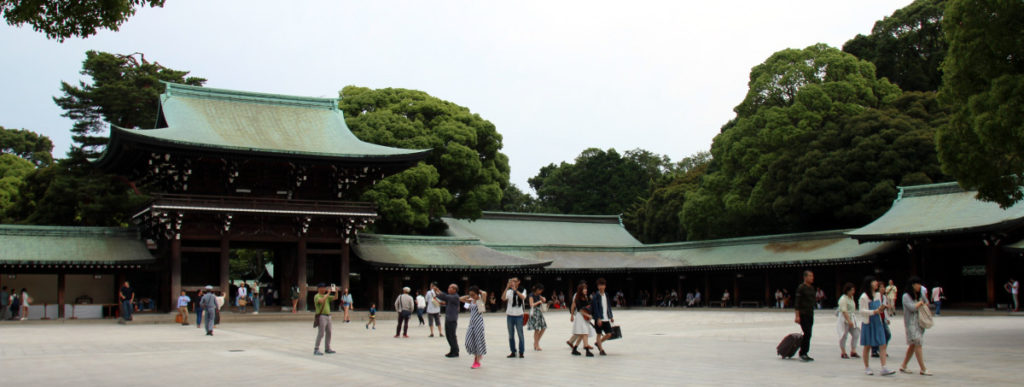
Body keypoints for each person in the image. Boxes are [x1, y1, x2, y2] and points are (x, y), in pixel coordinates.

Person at [859, 276, 895, 376]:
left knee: (882, 344)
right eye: (874, 282)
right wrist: (874, 311)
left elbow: (880, 307)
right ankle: (867, 367)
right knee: (867, 346)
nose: (876, 283)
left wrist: (883, 308)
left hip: (878, 321)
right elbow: (862, 311)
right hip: (869, 322)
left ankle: (884, 367)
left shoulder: (878, 295)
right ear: (869, 283)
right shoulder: (864, 296)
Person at [899, 277, 931, 376]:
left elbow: (927, 303)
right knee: (918, 344)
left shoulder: (920, 294)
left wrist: (923, 301)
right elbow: (912, 308)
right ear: (912, 285)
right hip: (911, 324)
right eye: (918, 284)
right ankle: (923, 368)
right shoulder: (906, 296)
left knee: (913, 345)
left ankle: (903, 365)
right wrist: (920, 303)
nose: (919, 286)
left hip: (920, 323)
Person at [461, 286, 487, 369]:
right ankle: (478, 355)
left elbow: (484, 294)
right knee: (468, 341)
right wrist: (468, 297)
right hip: (471, 323)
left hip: (478, 323)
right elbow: (461, 299)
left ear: (477, 294)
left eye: (473, 294)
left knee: (477, 341)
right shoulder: (471, 301)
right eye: (470, 294)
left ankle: (477, 360)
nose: (471, 296)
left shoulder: (480, 301)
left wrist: (480, 291)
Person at [568, 283, 596, 357]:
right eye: (584, 289)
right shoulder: (577, 298)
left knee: (581, 334)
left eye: (586, 289)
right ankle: (587, 350)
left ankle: (575, 349)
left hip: (584, 317)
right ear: (581, 290)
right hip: (580, 317)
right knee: (585, 333)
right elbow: (580, 309)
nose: (586, 290)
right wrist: (588, 315)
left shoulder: (585, 297)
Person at [502, 277, 527, 358]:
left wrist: (516, 290)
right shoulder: (509, 291)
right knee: (511, 335)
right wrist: (507, 287)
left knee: (520, 334)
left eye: (515, 281)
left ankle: (521, 352)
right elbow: (503, 298)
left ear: (519, 282)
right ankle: (513, 351)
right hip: (510, 315)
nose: (513, 283)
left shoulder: (523, 290)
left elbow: (523, 297)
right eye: (512, 281)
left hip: (519, 315)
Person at [794, 270, 815, 361]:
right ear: (805, 277)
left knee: (809, 333)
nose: (812, 278)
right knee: (807, 333)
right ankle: (802, 352)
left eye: (812, 276)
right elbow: (797, 303)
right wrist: (797, 316)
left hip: (810, 313)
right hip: (803, 314)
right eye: (810, 276)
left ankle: (805, 352)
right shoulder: (801, 288)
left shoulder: (811, 288)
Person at [436, 284, 462, 357]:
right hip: (448, 318)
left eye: (450, 288)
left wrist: (438, 291)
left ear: (455, 290)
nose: (448, 289)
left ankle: (455, 351)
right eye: (448, 287)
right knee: (448, 335)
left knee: (452, 335)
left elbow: (444, 297)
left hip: (452, 319)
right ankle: (452, 350)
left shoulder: (455, 296)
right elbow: (445, 299)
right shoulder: (451, 297)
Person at [836, 282, 860, 359]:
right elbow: (844, 311)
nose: (853, 292)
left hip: (852, 318)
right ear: (847, 291)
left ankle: (853, 350)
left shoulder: (851, 298)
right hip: (844, 319)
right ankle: (843, 352)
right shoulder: (843, 299)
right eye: (852, 290)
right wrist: (849, 320)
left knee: (856, 333)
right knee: (844, 335)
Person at [592, 278, 615, 356]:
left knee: (609, 334)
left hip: (606, 318)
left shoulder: (606, 295)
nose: (601, 286)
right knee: (598, 333)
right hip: (599, 318)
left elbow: (608, 306)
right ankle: (601, 350)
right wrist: (598, 318)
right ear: (598, 286)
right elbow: (595, 308)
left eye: (603, 285)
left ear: (605, 286)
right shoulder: (596, 296)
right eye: (600, 285)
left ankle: (598, 343)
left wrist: (611, 316)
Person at [313, 283, 338, 355]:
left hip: (328, 316)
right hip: (321, 316)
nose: (324, 289)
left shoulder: (326, 296)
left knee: (329, 332)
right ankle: (316, 348)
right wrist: (327, 294)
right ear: (319, 289)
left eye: (325, 287)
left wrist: (336, 292)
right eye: (323, 288)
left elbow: (335, 298)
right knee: (321, 333)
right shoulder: (317, 296)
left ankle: (327, 348)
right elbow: (321, 301)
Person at [527, 283, 548, 351]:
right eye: (540, 290)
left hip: (539, 312)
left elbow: (544, 300)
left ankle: (536, 343)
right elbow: (531, 304)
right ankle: (536, 344)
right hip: (534, 312)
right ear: (537, 289)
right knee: (537, 329)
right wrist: (538, 302)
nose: (541, 292)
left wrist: (543, 298)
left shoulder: (539, 295)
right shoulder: (531, 295)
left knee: (543, 327)